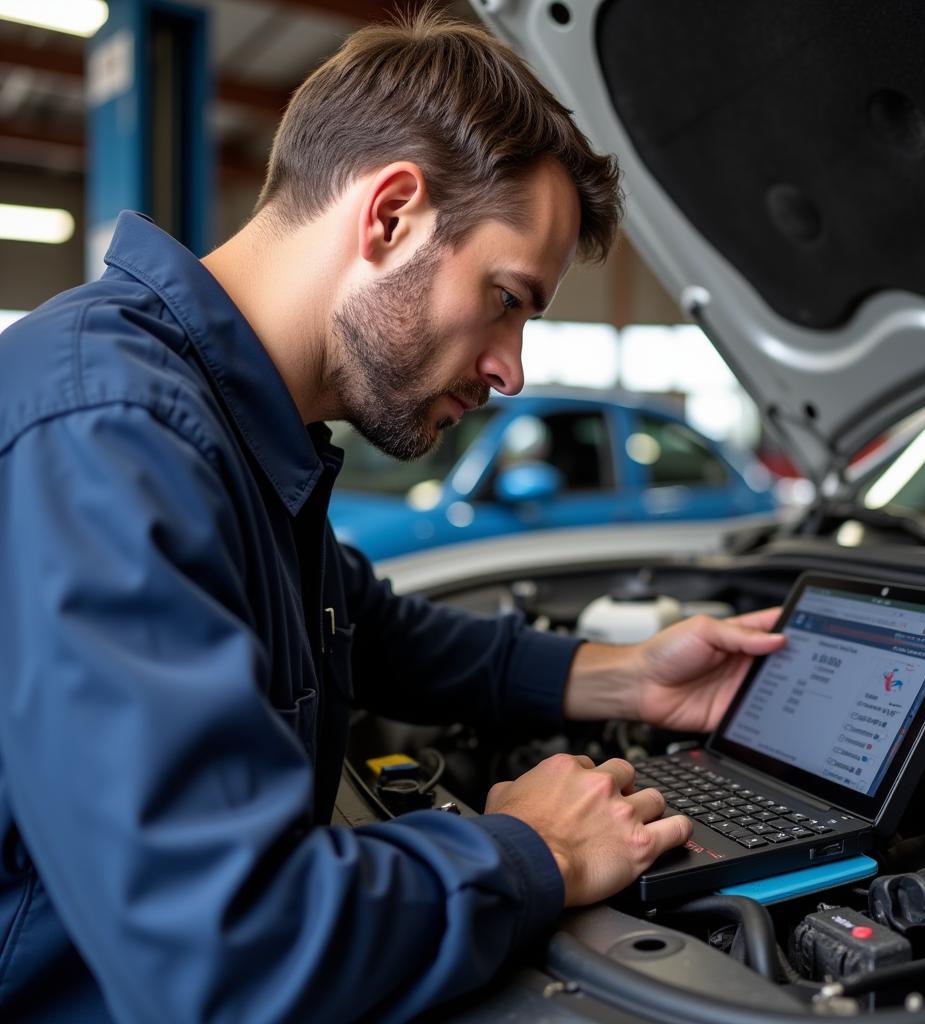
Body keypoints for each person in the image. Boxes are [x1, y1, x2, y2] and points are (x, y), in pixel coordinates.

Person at [0, 9, 784, 1023]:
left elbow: (360, 624)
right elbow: (228, 948)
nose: (510, 369)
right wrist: (531, 850)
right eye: (505, 298)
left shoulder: (216, 421)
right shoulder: (109, 434)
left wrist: (617, 675)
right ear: (392, 216)